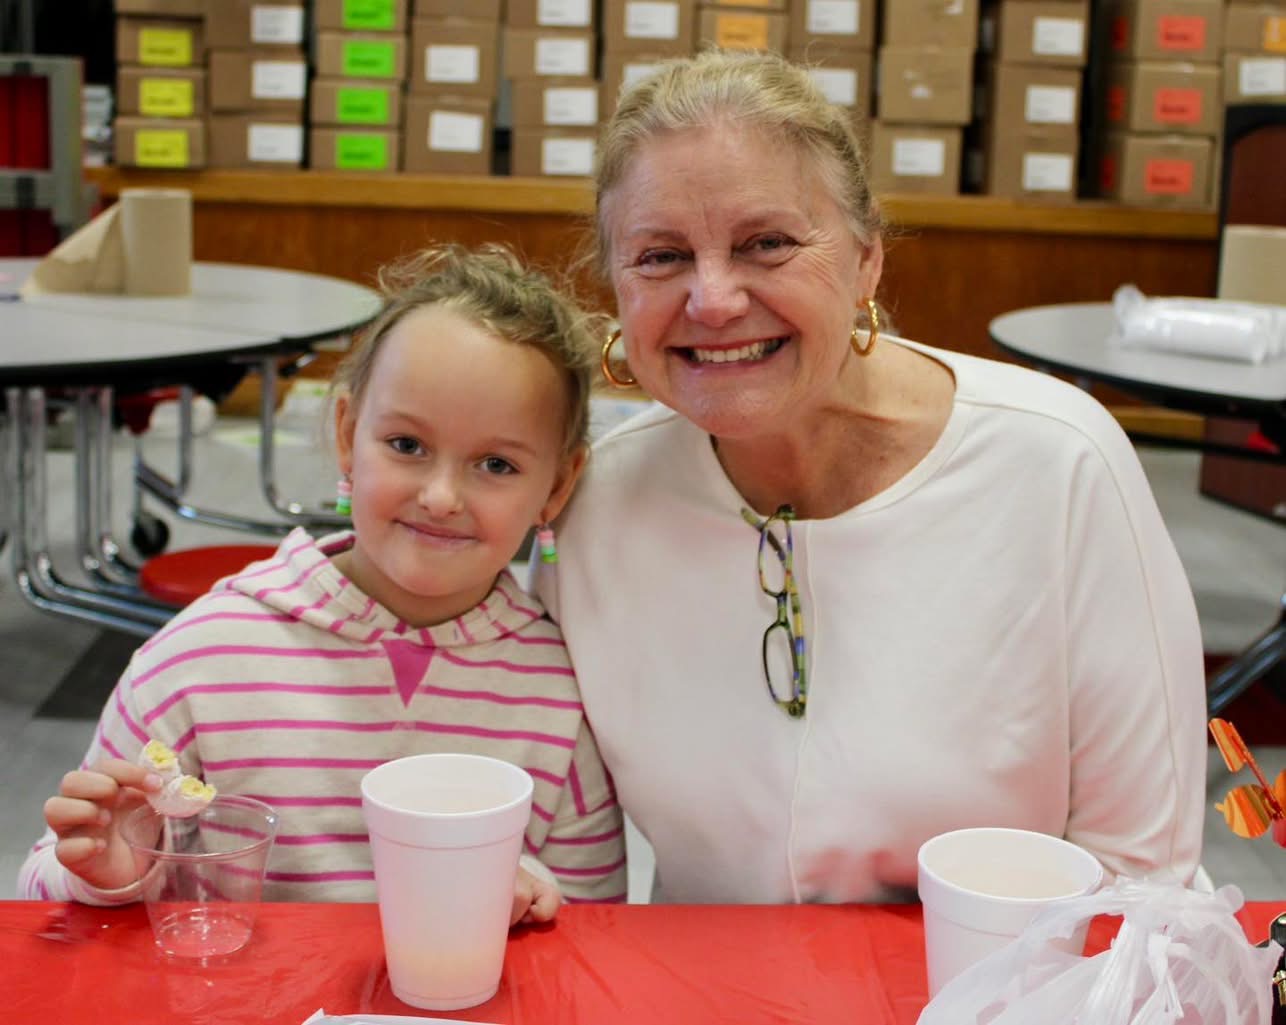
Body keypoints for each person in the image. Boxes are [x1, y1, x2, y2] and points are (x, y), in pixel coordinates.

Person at [534, 49, 1207, 903]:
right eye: (660, 256)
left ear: (867, 260)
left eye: (767, 243)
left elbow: (1144, 879)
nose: (712, 299)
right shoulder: (599, 504)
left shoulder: (1057, 465)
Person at [20, 243, 628, 921]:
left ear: (558, 485)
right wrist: (107, 873)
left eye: (495, 463)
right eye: (406, 445)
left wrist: (538, 896)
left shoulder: (560, 694)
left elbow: (598, 928)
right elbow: (43, 886)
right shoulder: (202, 659)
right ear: (347, 434)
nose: (439, 495)